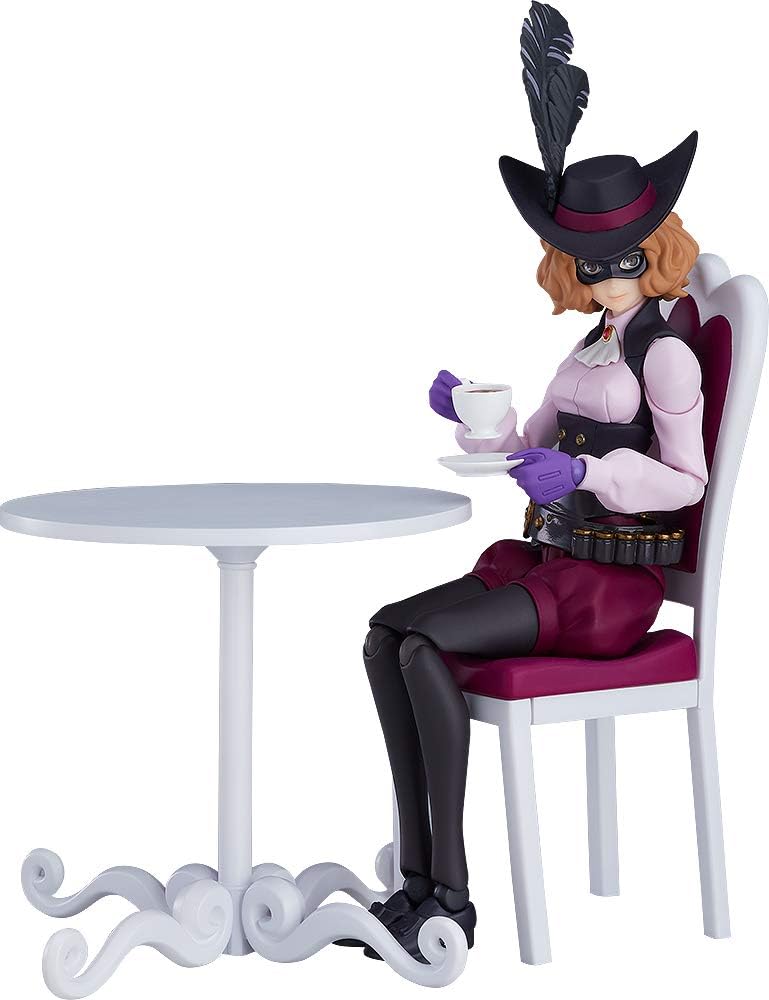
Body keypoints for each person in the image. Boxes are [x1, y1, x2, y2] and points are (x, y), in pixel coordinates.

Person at [359, 2, 705, 961]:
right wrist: (477, 422)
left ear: (658, 252)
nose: (607, 280)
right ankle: (414, 881)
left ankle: (451, 895)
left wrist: (589, 471)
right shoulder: (585, 351)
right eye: (589, 265)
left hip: (609, 588)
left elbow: (686, 481)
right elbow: (529, 446)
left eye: (624, 262)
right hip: (548, 560)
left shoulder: (665, 355)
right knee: (387, 636)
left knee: (424, 644)